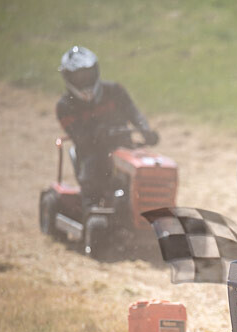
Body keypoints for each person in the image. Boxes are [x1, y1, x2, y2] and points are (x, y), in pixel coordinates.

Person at [55, 45, 159, 212]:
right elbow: (80, 138)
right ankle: (91, 207)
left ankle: (149, 204)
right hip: (91, 154)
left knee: (149, 165)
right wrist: (97, 135)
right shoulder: (65, 106)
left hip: (124, 148)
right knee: (95, 164)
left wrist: (145, 130)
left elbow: (134, 113)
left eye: (87, 75)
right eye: (79, 76)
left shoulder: (114, 91)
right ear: (68, 77)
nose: (84, 80)